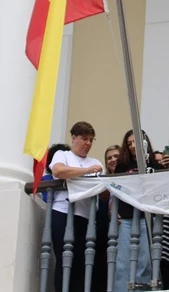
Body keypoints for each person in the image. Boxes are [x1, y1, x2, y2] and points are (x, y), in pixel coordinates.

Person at [50, 122, 104, 292]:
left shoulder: (95, 161)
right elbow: (58, 171)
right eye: (84, 139)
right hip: (62, 212)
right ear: (73, 138)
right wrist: (87, 171)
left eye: (90, 140)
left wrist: (79, 173)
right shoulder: (62, 154)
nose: (88, 143)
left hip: (85, 216)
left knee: (81, 261)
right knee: (63, 259)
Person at [113, 130, 165, 290]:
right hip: (127, 218)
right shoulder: (122, 165)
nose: (132, 146)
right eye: (129, 144)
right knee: (122, 262)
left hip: (146, 218)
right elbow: (116, 189)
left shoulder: (153, 165)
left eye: (135, 142)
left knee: (145, 261)